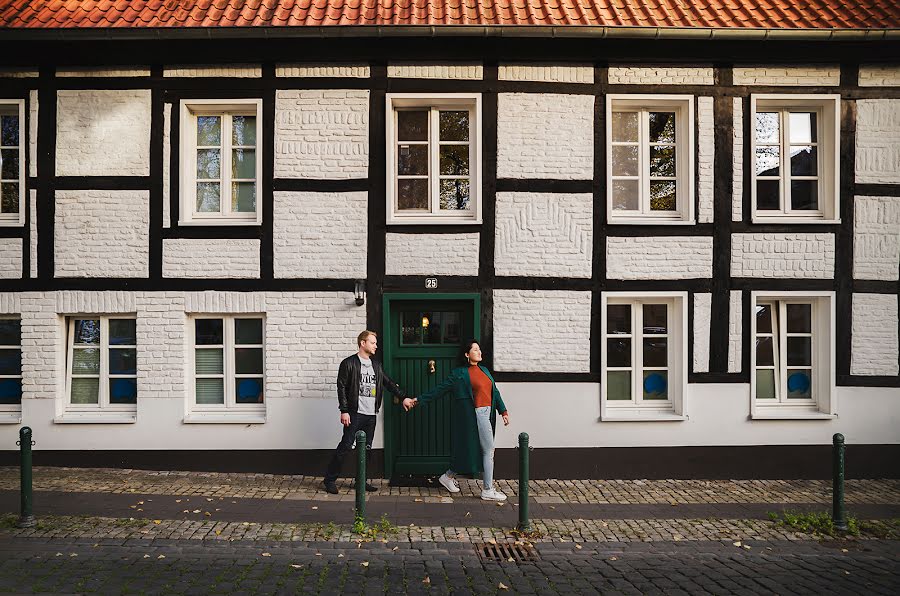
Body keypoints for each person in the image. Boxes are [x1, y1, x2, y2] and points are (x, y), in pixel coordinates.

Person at [402, 340, 510, 501]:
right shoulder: (459, 374)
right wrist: (416, 400)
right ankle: (488, 489)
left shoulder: (485, 370)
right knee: (488, 451)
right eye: (475, 350)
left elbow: (495, 392)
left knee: (472, 450)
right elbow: (439, 389)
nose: (479, 352)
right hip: (475, 415)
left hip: (488, 414)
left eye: (479, 349)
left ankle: (447, 476)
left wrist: (503, 411)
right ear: (467, 354)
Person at [323, 330, 406, 495]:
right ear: (363, 343)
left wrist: (403, 397)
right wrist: (344, 410)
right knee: (346, 446)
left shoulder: (376, 365)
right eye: (373, 342)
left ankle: (360, 481)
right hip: (354, 413)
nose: (376, 345)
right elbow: (341, 388)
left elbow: (387, 383)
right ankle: (329, 480)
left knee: (367, 449)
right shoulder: (348, 363)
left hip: (370, 415)